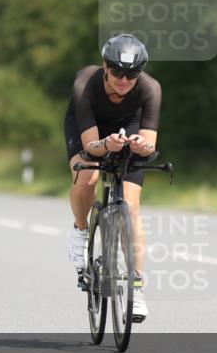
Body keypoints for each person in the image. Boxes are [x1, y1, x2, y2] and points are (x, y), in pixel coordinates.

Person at [65, 34, 161, 323]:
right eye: (117, 71)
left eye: (131, 74)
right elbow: (91, 146)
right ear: (105, 66)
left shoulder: (150, 89)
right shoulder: (85, 83)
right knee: (88, 177)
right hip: (90, 127)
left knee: (131, 208)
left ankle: (136, 287)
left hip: (128, 125)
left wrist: (142, 146)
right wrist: (106, 144)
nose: (124, 79)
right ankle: (81, 230)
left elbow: (149, 142)